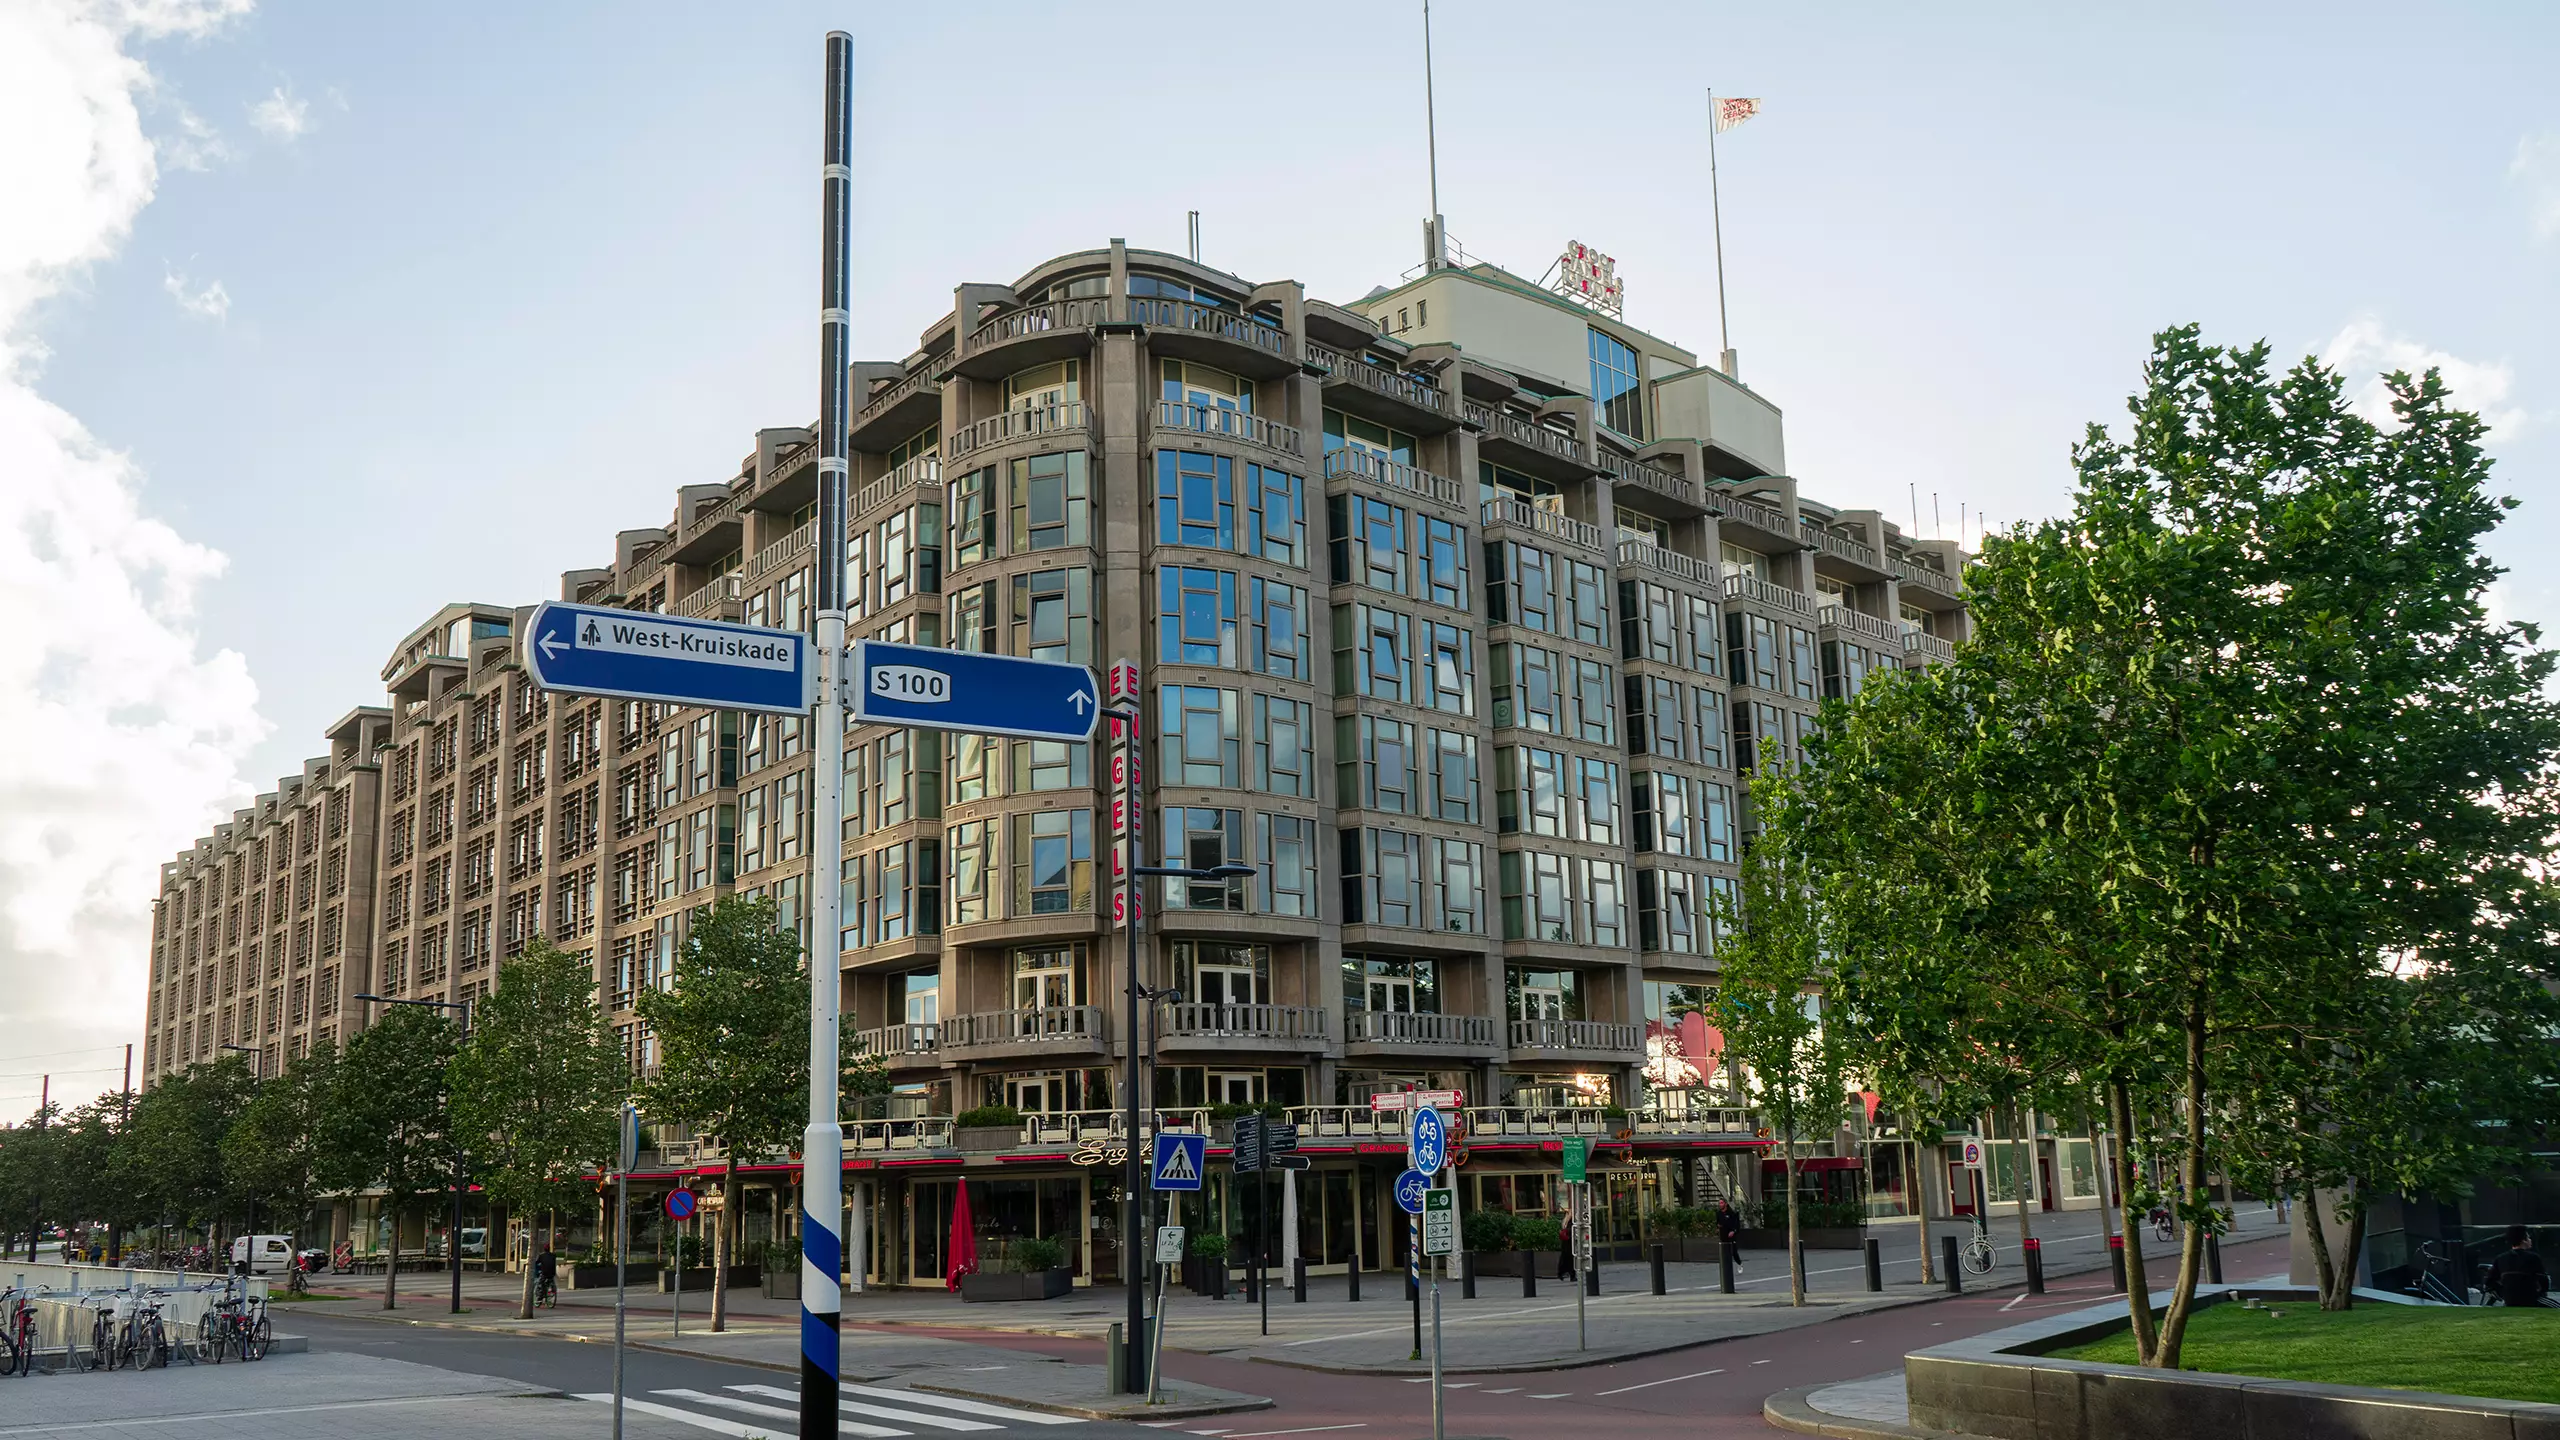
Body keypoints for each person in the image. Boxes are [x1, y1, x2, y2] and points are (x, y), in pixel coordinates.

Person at [2485, 1225, 2548, 1308]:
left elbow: (2489, 1282)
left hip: (2509, 1300)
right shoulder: (2533, 1258)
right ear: (2524, 1240)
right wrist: (2539, 1294)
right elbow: (2543, 1281)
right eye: (2528, 1237)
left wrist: (2503, 1293)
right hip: (2531, 1299)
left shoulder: (2500, 1258)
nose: (2530, 1240)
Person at [1715, 1198, 1744, 1267]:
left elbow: (1736, 1225)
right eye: (1719, 1203)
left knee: (1734, 1252)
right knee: (1725, 1253)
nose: (1720, 1204)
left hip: (1731, 1236)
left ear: (1726, 1204)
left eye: (1722, 1203)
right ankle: (1726, 1267)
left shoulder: (1732, 1213)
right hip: (1723, 1236)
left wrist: (1733, 1231)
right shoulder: (1718, 1213)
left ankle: (1740, 1263)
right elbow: (1718, 1223)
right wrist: (1718, 1228)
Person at [533, 1237, 559, 1307]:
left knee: (540, 1283)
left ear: (544, 1249)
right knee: (551, 1280)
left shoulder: (541, 1256)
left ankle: (540, 1296)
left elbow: (537, 1262)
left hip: (544, 1273)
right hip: (552, 1273)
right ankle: (552, 1290)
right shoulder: (553, 1255)